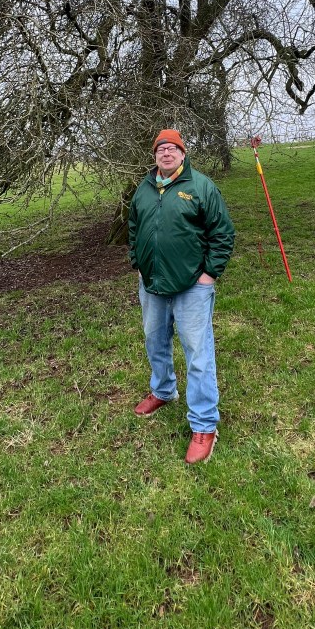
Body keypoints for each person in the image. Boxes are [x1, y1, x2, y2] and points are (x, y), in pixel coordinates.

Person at [128, 129, 235, 464]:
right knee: (154, 339)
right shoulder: (143, 190)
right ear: (155, 155)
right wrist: (139, 265)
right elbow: (133, 228)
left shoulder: (201, 187)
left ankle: (204, 425)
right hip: (152, 284)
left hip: (192, 286)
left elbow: (223, 233)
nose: (167, 153)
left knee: (198, 353)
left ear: (183, 154)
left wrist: (208, 275)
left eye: (173, 148)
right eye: (161, 149)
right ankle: (163, 391)